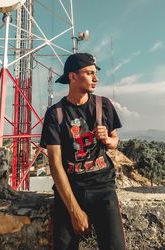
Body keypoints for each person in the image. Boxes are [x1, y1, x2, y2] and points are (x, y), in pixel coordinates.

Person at [40, 52, 126, 250]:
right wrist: (74, 211)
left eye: (95, 73)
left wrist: (107, 139)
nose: (95, 78)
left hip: (103, 189)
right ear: (72, 76)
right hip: (70, 190)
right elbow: (55, 165)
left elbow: (115, 141)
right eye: (89, 73)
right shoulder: (56, 114)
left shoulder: (103, 105)